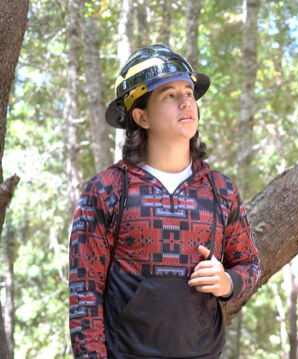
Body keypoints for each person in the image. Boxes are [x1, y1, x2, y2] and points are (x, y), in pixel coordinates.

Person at [68, 44, 261, 359]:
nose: (186, 102)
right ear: (141, 116)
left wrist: (227, 281)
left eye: (189, 92)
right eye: (169, 95)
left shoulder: (221, 191)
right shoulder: (106, 190)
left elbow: (249, 265)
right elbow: (84, 295)